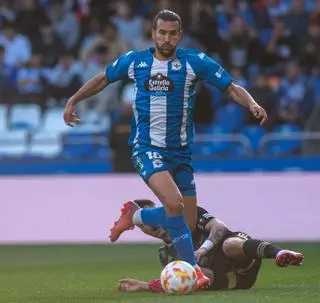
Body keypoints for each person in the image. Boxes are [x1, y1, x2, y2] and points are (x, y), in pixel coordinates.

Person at [63, 9, 268, 289]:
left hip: (181, 153)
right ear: (153, 33)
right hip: (147, 148)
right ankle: (194, 273)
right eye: (162, 33)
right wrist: (73, 100)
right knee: (173, 204)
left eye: (173, 34)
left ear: (179, 35)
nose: (167, 38)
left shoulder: (194, 62)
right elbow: (103, 78)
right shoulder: (136, 61)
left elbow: (230, 87)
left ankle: (134, 215)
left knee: (188, 221)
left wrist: (252, 103)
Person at [116, 199, 304, 293]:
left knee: (230, 244)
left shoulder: (188, 217)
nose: (151, 227)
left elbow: (220, 227)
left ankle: (281, 253)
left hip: (238, 256)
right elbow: (179, 282)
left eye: (151, 218)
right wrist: (144, 285)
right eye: (143, 225)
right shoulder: (166, 255)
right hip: (233, 281)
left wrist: (203, 248)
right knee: (200, 276)